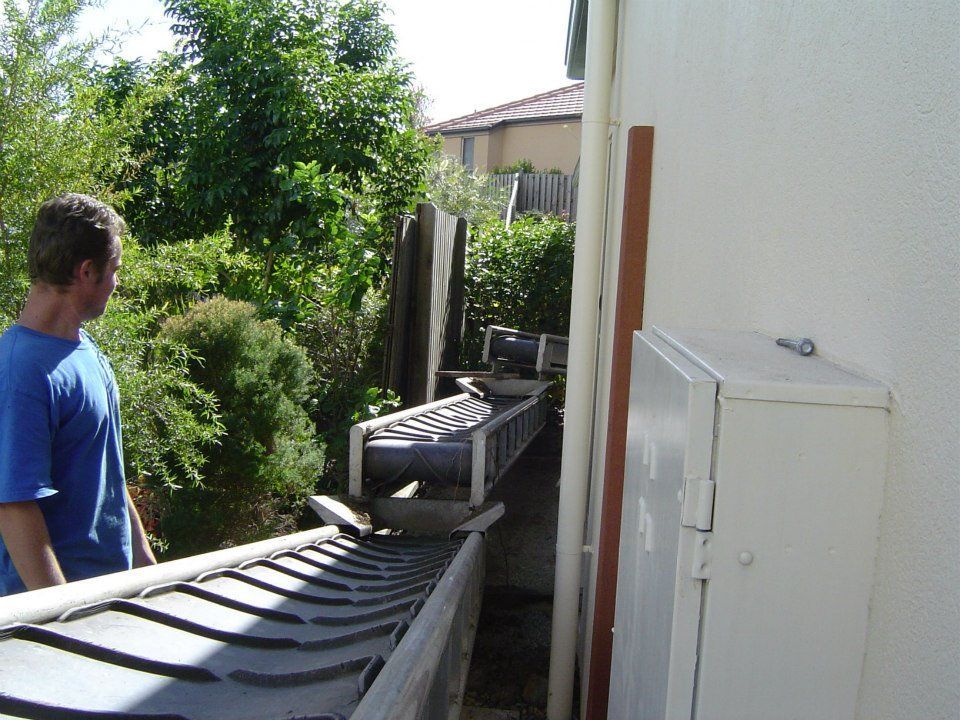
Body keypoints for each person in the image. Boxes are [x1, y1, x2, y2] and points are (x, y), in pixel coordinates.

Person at [0, 193, 156, 595]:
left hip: (111, 603)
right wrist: (63, 620)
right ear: (87, 271)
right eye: (114, 270)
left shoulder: (86, 350)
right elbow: (14, 506)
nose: (116, 283)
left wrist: (150, 575)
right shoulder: (21, 371)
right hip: (52, 629)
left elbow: (111, 478)